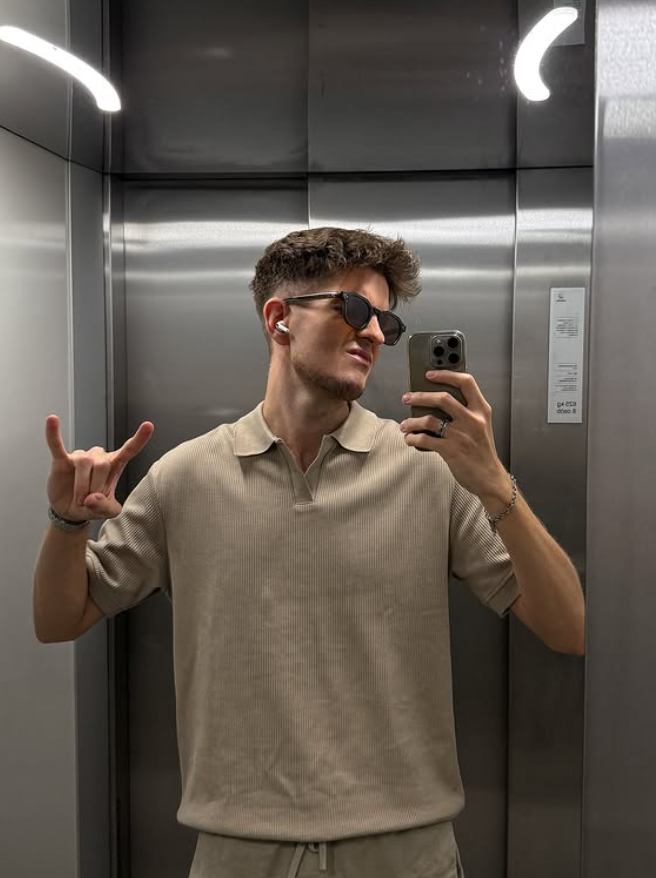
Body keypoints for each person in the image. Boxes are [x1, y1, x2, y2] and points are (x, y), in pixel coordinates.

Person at [34, 227, 585, 878]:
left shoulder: (430, 471)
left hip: (404, 851)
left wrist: (494, 483)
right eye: (353, 309)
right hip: (239, 852)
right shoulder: (185, 478)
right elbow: (60, 619)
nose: (374, 333)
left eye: (385, 321)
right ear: (279, 318)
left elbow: (570, 628)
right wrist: (66, 524)